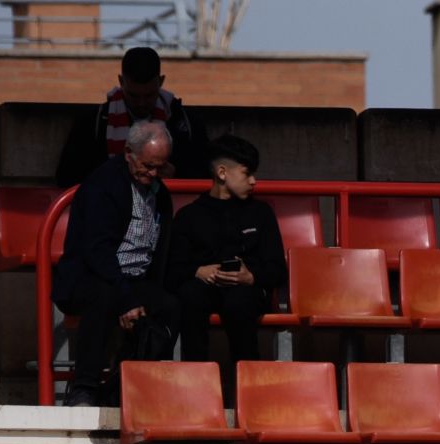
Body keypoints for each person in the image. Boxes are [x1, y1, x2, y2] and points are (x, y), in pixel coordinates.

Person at [51, 120, 177, 408]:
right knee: (103, 296)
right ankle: (84, 387)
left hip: (133, 280)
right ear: (129, 153)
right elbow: (97, 252)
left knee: (169, 305)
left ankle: (127, 385)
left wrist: (136, 296)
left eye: (160, 167)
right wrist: (126, 299)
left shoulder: (159, 194)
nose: (153, 174)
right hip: (92, 276)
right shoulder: (103, 186)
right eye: (147, 166)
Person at [165, 135, 286, 384]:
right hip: (204, 289)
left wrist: (250, 277)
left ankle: (248, 386)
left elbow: (277, 269)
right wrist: (198, 271)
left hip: (247, 291)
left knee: (239, 301)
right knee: (190, 296)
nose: (254, 181)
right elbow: (172, 269)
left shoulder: (261, 214)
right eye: (247, 173)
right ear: (222, 173)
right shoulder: (189, 216)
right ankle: (195, 385)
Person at [55, 45, 198, 187]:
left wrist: (176, 175)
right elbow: (67, 177)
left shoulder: (184, 123)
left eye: (149, 95)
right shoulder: (93, 123)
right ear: (121, 81)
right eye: (133, 95)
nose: (141, 103)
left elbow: (202, 174)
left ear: (161, 82)